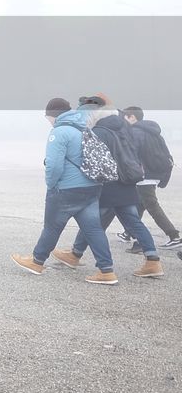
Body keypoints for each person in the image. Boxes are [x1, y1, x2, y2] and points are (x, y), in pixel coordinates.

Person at [10, 98, 118, 284]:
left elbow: (53, 166)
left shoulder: (59, 132)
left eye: (48, 118)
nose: (49, 122)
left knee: (52, 226)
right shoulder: (84, 129)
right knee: (93, 229)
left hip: (66, 189)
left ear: (53, 116)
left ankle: (37, 261)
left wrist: (51, 185)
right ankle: (106, 270)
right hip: (92, 188)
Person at [54, 107, 164, 278]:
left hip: (108, 185)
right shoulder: (125, 129)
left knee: (91, 223)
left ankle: (91, 263)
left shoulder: (98, 132)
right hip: (127, 183)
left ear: (96, 117)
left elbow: (91, 159)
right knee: (134, 222)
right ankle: (153, 261)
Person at [122, 106, 180, 251]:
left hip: (144, 175)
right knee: (139, 204)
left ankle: (174, 236)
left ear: (132, 117)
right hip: (154, 173)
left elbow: (131, 154)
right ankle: (128, 233)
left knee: (152, 206)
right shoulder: (153, 132)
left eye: (125, 117)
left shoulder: (135, 132)